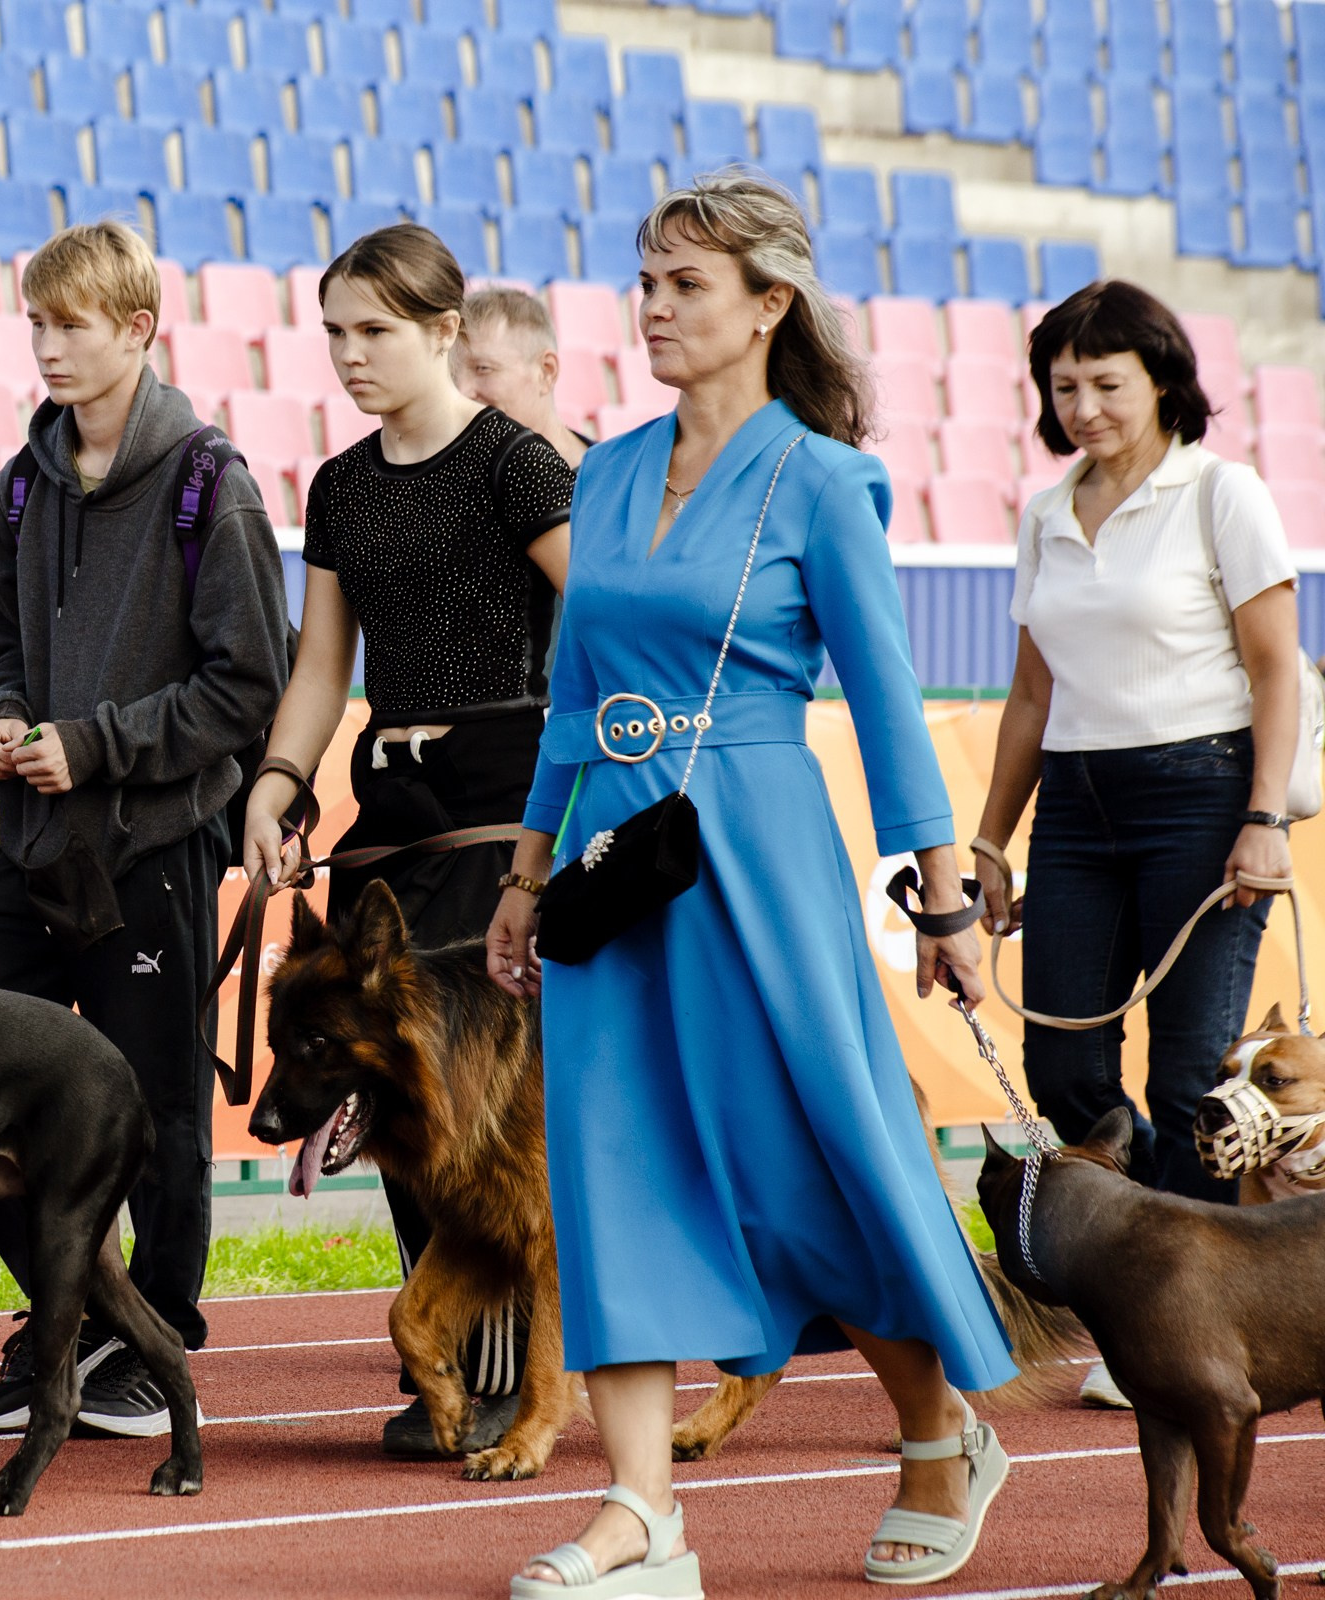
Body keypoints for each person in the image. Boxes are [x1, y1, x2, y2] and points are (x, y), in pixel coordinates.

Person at [484, 173, 1016, 1593]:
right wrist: (528, 866)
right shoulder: (597, 472)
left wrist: (947, 901)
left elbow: (891, 703)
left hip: (757, 846)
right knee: (613, 1162)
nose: (652, 308)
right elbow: (573, 693)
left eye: (686, 286)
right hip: (612, 850)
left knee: (806, 1162)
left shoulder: (826, 481)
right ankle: (644, 1514)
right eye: (645, 282)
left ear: (770, 305)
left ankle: (936, 1432)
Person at [0, 219, 290, 1437]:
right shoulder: (21, 482)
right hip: (26, 845)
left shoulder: (212, 482)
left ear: (137, 328)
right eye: (34, 321)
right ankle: (68, 1313)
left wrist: (92, 746)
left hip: (153, 847)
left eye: (69, 322)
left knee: (157, 1110)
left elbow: (247, 685)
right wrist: (4, 718)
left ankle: (157, 1338)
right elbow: (1, 649)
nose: (44, 345)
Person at [240, 223, 573, 1460]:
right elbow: (324, 664)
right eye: (333, 333)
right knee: (392, 1097)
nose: (349, 355)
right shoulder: (338, 484)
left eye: (374, 330)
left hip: (508, 802)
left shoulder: (516, 464)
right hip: (390, 819)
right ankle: (440, 1355)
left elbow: (598, 619)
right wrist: (279, 781)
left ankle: (494, 1377)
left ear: (445, 332)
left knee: (487, 1114)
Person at [971, 280, 1299, 1409]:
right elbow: (1026, 694)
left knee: (1187, 1074)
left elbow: (1275, 670)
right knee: (1066, 1066)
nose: (1085, 406)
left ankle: (1180, 1317)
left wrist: (1262, 817)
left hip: (1203, 799)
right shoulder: (1044, 512)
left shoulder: (1222, 493)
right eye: (1064, 386)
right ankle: (1166, 1277)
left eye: (1107, 382)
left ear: (1163, 380)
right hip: (1075, 806)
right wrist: (990, 840)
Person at [453, 286, 590, 470]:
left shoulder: (612, 482)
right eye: (452, 373)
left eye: (483, 369)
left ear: (546, 372)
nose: (461, 391)